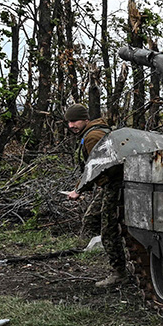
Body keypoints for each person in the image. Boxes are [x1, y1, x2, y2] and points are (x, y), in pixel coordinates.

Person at [60, 103, 123, 288]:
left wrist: (78, 190)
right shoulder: (94, 132)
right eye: (69, 122)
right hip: (110, 184)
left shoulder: (93, 136)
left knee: (109, 230)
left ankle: (119, 273)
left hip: (115, 184)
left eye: (75, 121)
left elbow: (98, 167)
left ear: (85, 120)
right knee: (91, 218)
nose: (72, 125)